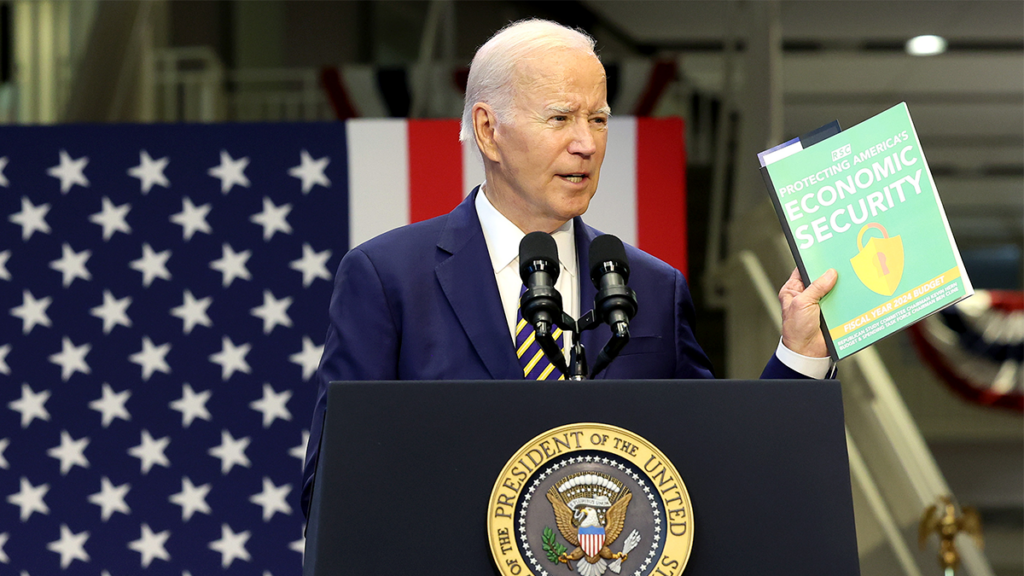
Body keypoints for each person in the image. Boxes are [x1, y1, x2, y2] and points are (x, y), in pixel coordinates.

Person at [300, 18, 836, 518]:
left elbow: (716, 474)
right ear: (488, 131)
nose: (586, 144)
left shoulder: (652, 286)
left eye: (598, 119)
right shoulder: (387, 278)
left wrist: (801, 352)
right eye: (560, 118)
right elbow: (332, 487)